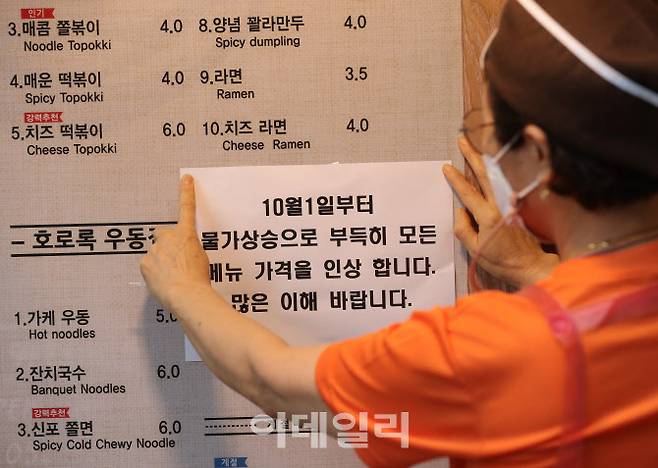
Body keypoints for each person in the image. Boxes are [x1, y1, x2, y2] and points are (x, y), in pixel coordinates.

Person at [139, 0, 658, 466]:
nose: (488, 148)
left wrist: (185, 288)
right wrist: (535, 268)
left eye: (491, 130)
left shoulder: (489, 350)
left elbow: (273, 382)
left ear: (540, 155)